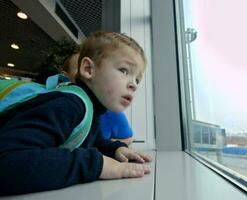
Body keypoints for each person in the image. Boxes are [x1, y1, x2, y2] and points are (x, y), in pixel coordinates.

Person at [0, 31, 152, 196]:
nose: (134, 85)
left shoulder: (89, 109)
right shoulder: (68, 105)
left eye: (137, 79)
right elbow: (7, 162)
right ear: (88, 69)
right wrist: (96, 165)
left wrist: (114, 149)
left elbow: (91, 142)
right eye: (124, 70)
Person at [62, 53, 134, 145]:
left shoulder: (109, 110)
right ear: (65, 76)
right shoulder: (60, 105)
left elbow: (128, 139)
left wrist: (114, 148)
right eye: (84, 68)